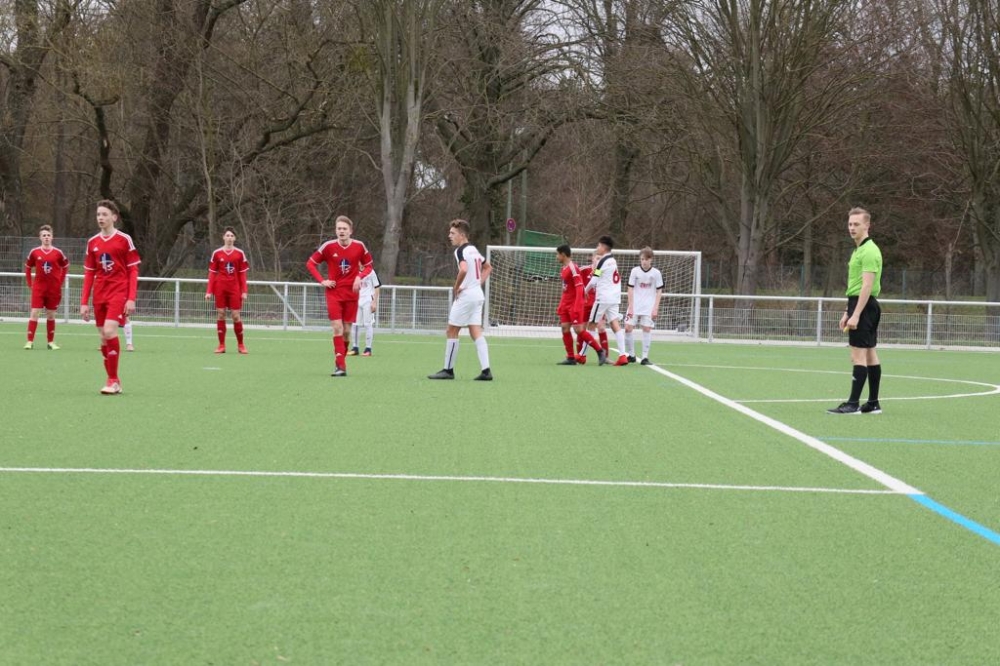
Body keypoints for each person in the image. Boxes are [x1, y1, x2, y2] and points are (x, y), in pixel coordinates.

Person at [80, 200, 141, 395]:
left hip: (118, 292)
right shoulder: (92, 243)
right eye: (98, 214)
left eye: (105, 214)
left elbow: (133, 270)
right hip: (99, 294)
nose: (101, 218)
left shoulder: (124, 240)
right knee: (103, 337)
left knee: (109, 331)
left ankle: (113, 380)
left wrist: (131, 298)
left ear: (114, 217)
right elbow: (89, 273)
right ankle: (114, 380)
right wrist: (84, 302)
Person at [828, 207, 883, 415]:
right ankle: (873, 403)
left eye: (856, 224)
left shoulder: (869, 251)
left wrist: (856, 314)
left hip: (864, 306)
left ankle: (852, 404)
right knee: (869, 354)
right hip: (860, 304)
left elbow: (867, 286)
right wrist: (847, 311)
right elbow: (856, 285)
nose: (852, 228)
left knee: (857, 355)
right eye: (850, 224)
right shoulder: (859, 250)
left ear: (867, 225)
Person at [307, 215, 373, 376]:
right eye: (339, 228)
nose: (341, 231)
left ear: (350, 231)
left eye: (344, 229)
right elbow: (310, 263)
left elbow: (369, 266)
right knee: (337, 327)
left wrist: (359, 277)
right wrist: (322, 281)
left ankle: (340, 361)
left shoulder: (359, 246)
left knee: (346, 331)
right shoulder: (328, 247)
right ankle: (340, 367)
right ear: (336, 230)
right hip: (334, 293)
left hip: (352, 294)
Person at [428, 219, 493, 381]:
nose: (449, 236)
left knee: (451, 331)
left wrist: (456, 287)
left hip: (467, 297)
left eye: (453, 233)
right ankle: (486, 371)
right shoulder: (474, 250)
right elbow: (488, 267)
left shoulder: (460, 251)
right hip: (477, 295)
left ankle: (448, 370)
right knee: (475, 331)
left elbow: (463, 269)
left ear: (462, 235)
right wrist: (477, 283)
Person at [555, 244, 604, 365]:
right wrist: (561, 304)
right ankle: (571, 357)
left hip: (574, 304)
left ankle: (600, 351)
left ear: (563, 255)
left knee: (579, 330)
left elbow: (578, 287)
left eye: (557, 254)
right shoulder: (564, 268)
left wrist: (577, 305)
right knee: (564, 328)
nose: (556, 257)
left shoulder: (573, 267)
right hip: (565, 304)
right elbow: (567, 288)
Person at [584, 235, 629, 366]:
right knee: (615, 324)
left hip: (603, 298)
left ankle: (582, 355)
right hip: (614, 297)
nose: (597, 248)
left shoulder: (603, 261)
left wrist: (584, 291)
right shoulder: (613, 260)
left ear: (604, 247)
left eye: (598, 245)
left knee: (591, 324)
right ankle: (622, 356)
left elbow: (594, 280)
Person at [23, 225, 69, 350]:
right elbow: (28, 267)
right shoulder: (34, 252)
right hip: (39, 288)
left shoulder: (58, 253)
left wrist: (60, 281)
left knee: (51, 315)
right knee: (34, 313)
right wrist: (30, 283)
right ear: (40, 237)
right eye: (44, 235)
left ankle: (50, 342)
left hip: (53, 289)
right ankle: (29, 341)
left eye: (48, 235)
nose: (46, 237)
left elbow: (65, 266)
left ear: (52, 237)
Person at [205, 226, 249, 354]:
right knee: (221, 314)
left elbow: (242, 274)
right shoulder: (217, 253)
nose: (229, 238)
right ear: (223, 237)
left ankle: (241, 345)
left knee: (236, 315)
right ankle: (221, 345)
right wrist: (209, 291)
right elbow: (212, 273)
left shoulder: (239, 253)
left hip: (234, 288)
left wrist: (244, 291)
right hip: (220, 288)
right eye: (227, 235)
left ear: (235, 238)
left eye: (232, 236)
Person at [624, 247, 664, 365]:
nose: (644, 261)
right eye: (642, 259)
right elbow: (630, 288)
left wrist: (655, 308)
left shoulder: (656, 273)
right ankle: (631, 355)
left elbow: (659, 291)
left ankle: (645, 357)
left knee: (646, 329)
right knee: (627, 328)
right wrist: (631, 306)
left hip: (648, 306)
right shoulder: (634, 271)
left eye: (646, 259)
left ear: (651, 259)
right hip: (635, 305)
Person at [349, 270, 381, 356]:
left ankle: (368, 349)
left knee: (367, 324)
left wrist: (374, 302)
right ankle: (355, 348)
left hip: (368, 301)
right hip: (356, 300)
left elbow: (377, 287)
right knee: (355, 324)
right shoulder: (354, 269)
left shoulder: (371, 271)